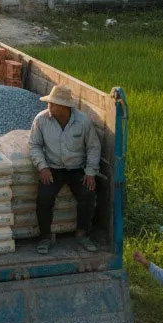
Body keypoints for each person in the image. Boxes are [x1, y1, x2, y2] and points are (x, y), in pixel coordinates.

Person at [28, 84, 101, 255]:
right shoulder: (41, 120)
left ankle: (82, 234)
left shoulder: (82, 122)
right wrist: (42, 167)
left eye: (53, 104)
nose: (49, 107)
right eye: (49, 103)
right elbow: (34, 145)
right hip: (52, 168)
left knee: (88, 194)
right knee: (44, 198)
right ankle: (45, 237)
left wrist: (90, 172)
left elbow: (93, 147)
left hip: (77, 169)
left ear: (65, 107)